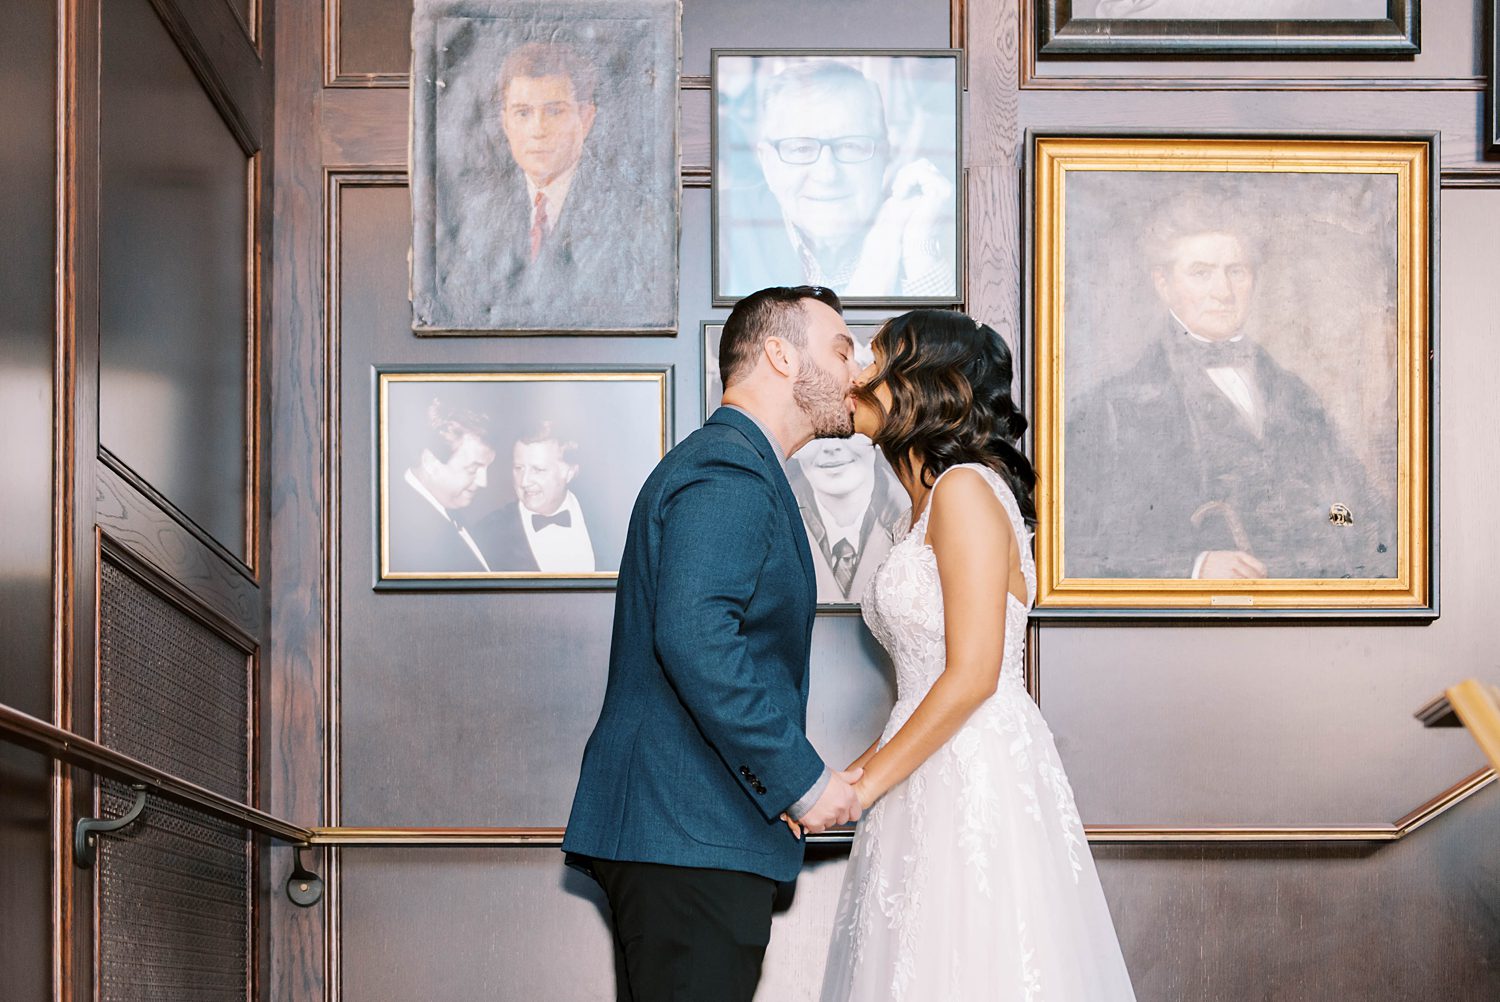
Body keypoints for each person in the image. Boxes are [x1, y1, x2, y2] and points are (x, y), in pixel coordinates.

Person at [819, 309, 1136, 999]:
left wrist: (864, 788)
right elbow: (922, 682)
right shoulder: (914, 510)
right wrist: (847, 780)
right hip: (926, 761)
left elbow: (971, 675)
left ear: (922, 384)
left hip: (973, 764)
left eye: (875, 360)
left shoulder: (962, 490)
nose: (858, 375)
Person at [563, 286, 866, 1001]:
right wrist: (803, 781)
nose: (859, 372)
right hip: (689, 835)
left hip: (688, 836)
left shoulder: (733, 464)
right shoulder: (729, 469)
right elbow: (696, 635)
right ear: (780, 355)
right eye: (843, 349)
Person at [1065, 198, 1393, 579]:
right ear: (1164, 283)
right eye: (1201, 273)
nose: (1223, 291)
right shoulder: (1114, 410)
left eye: (1236, 271)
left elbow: (1356, 511)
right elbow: (1079, 548)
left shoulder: (1296, 395)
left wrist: (1345, 538)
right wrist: (1194, 568)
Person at [437, 41, 645, 326]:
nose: (538, 130)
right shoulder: (477, 214)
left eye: (554, 111)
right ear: (505, 122)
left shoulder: (627, 212)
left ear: (585, 119)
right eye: (523, 113)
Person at [719, 60, 955, 299]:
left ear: (885, 155)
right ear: (767, 162)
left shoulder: (924, 225)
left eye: (851, 146)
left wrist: (921, 251)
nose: (827, 174)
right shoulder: (719, 226)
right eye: (801, 149)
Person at [786, 435, 904, 604]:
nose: (832, 446)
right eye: (817, 432)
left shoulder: (918, 518)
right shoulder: (773, 525)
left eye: (848, 429)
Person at [387, 399, 496, 574]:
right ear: (430, 462)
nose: (484, 482)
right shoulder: (402, 534)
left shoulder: (447, 509)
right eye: (473, 468)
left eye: (486, 468)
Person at [474, 421, 596, 574]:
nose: (524, 481)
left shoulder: (606, 521)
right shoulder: (487, 534)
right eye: (518, 468)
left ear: (569, 472)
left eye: (538, 470)